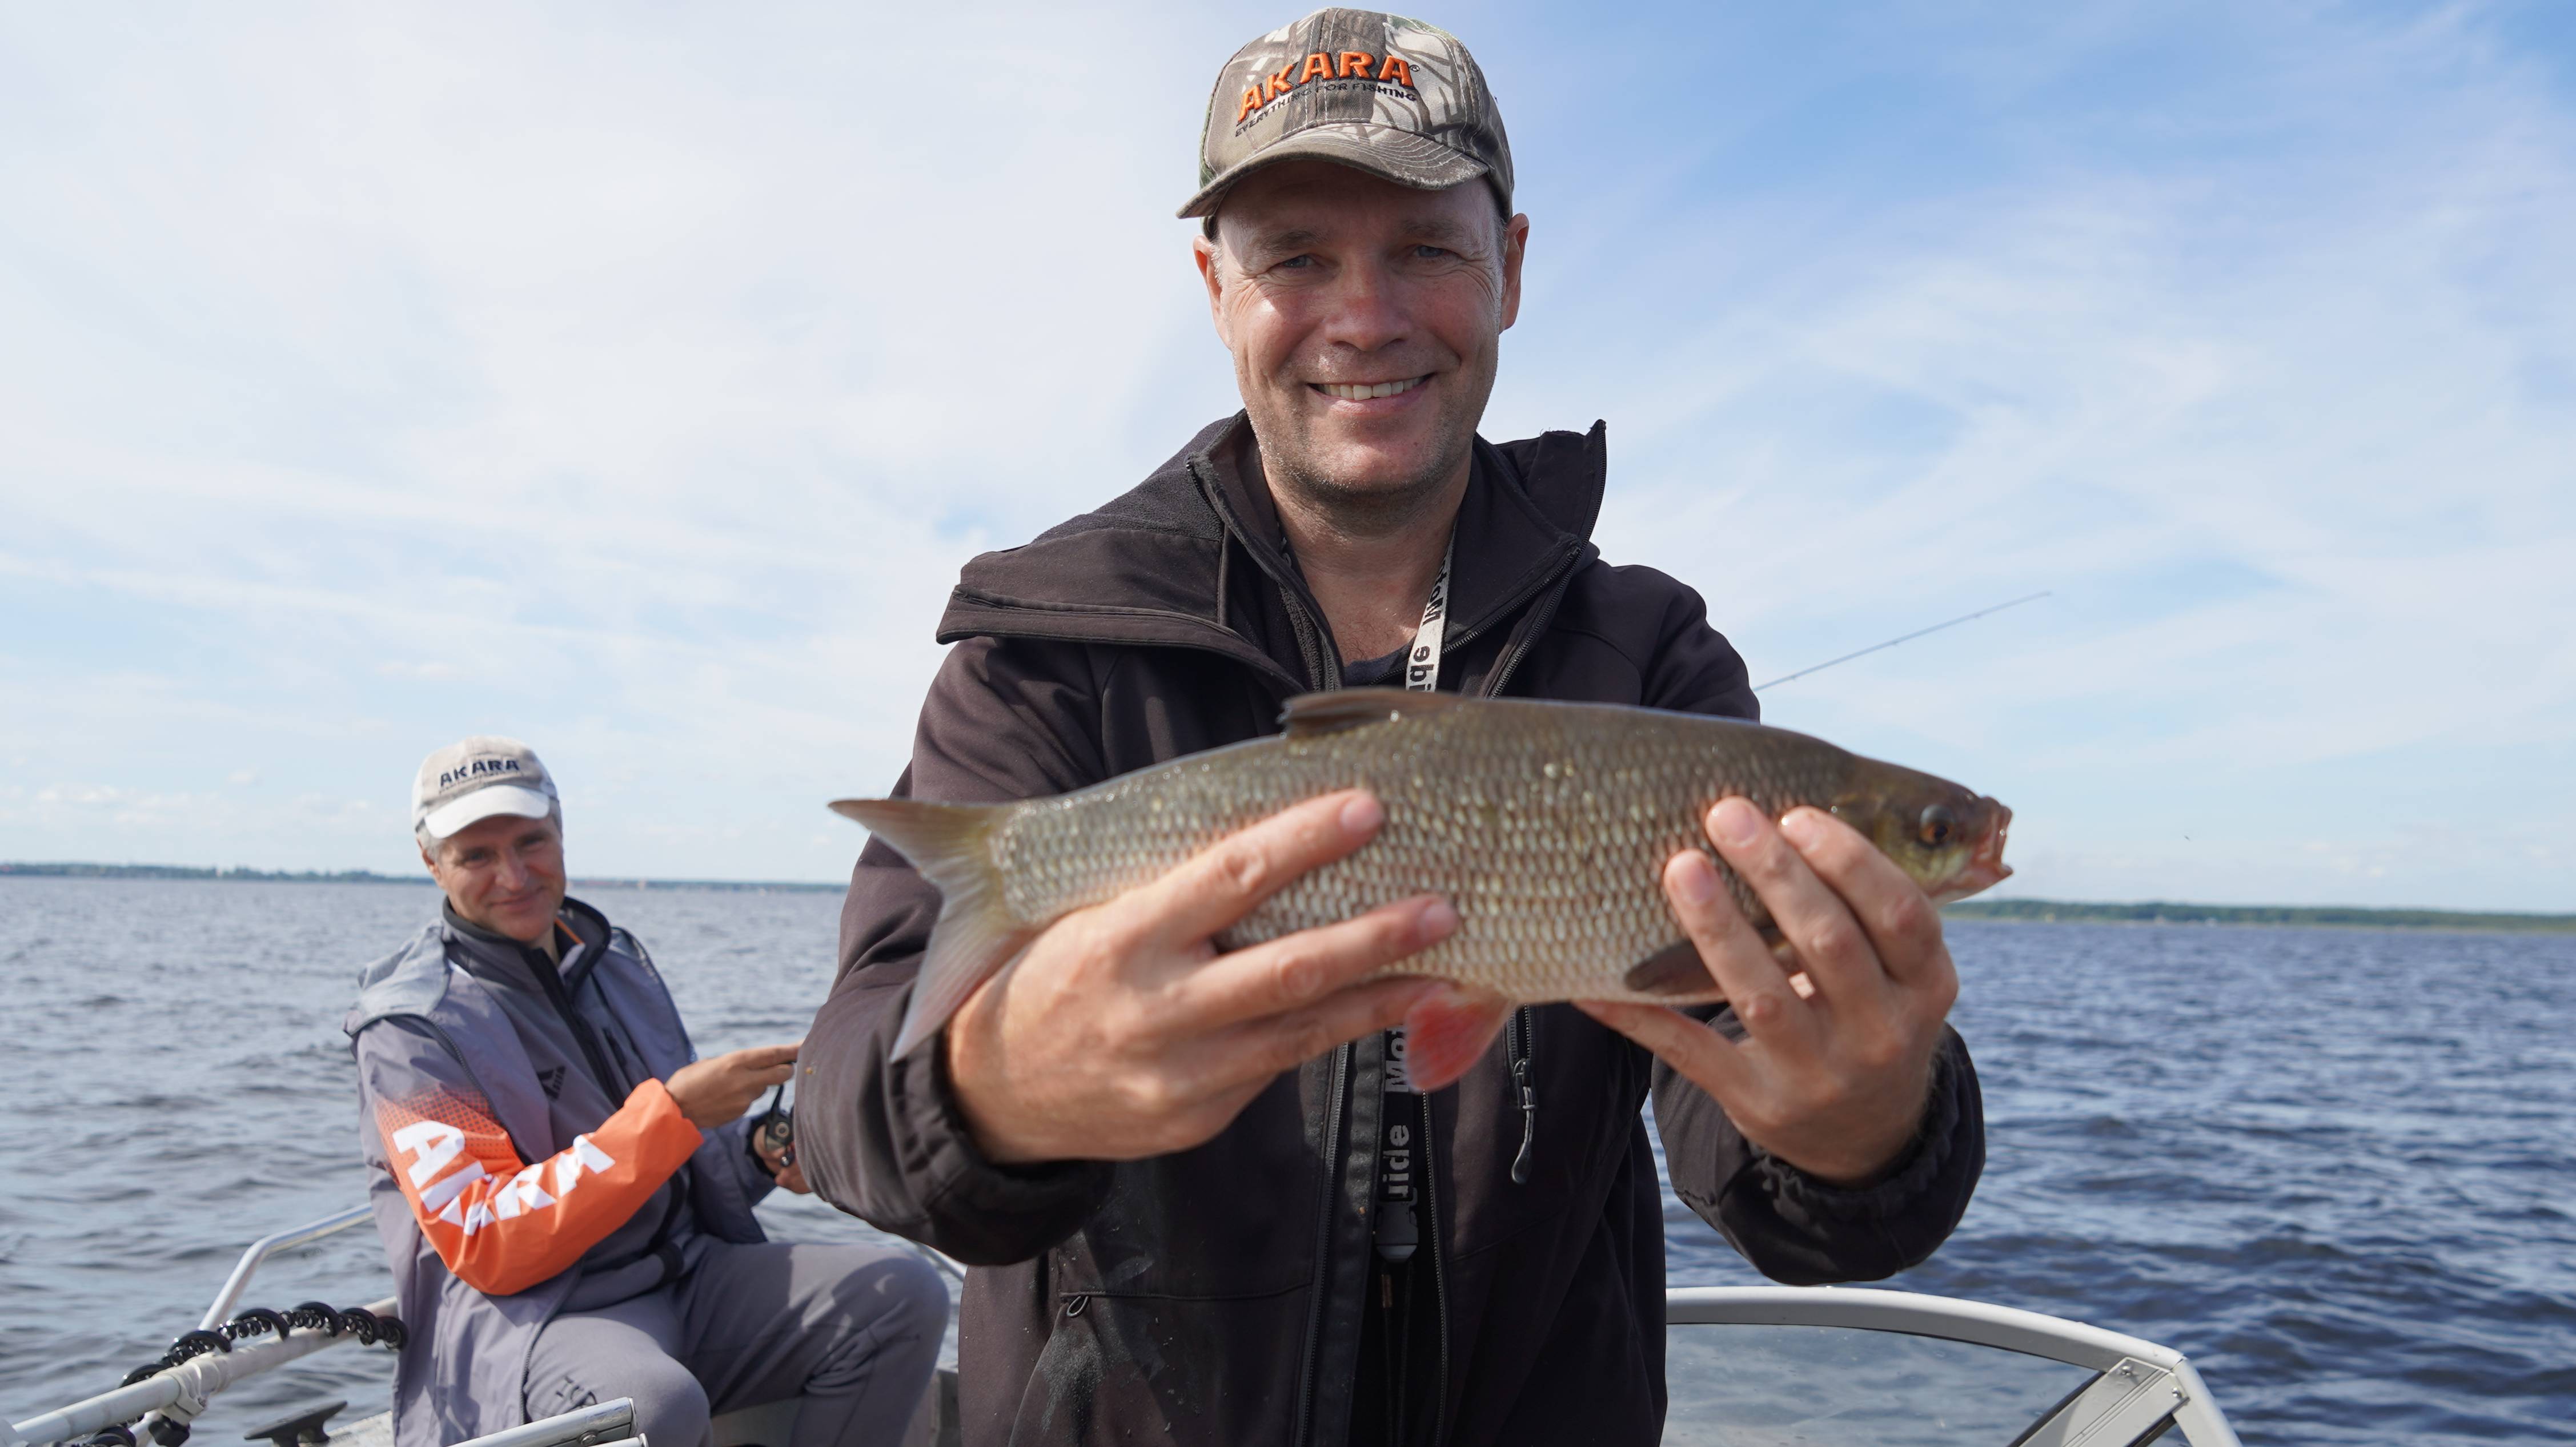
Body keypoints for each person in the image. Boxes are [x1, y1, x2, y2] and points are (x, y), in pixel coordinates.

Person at [800, 9, 1985, 1445]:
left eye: (1425, 246)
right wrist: (988, 1086)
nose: (1364, 317)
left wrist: (1864, 1126)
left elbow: (1775, 1171)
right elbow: (841, 1108)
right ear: (1215, 289)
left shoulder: (1654, 655)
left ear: (1512, 268)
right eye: (1297, 256)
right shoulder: (1044, 647)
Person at [346, 737, 948, 1447]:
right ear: (431, 863)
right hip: (538, 1318)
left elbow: (678, 1161)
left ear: (561, 830)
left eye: (531, 840)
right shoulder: (410, 1025)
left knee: (903, 1293)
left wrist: (762, 1149)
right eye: (477, 855)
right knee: (650, 1404)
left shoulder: (616, 961)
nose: (513, 874)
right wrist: (678, 1112)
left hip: (684, 1271)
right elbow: (486, 1238)